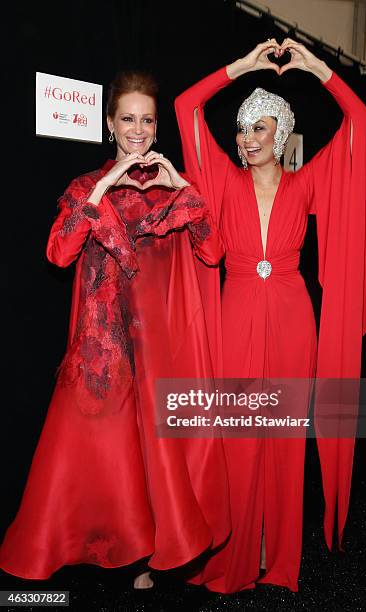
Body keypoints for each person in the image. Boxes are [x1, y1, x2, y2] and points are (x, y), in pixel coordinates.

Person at [0, 70, 230, 589]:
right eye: (127, 118)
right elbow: (58, 252)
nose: (138, 129)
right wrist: (107, 183)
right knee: (91, 456)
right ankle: (77, 552)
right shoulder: (87, 187)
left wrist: (182, 188)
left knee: (151, 458)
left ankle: (148, 559)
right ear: (110, 124)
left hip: (155, 346)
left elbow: (214, 252)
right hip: (103, 348)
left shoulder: (171, 192)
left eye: (147, 120)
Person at [175, 38, 366, 592]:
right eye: (244, 128)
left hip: (291, 315)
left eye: (261, 128)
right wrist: (238, 67)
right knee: (239, 436)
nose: (248, 138)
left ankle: (279, 556)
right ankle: (234, 556)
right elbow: (185, 108)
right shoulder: (221, 180)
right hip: (236, 310)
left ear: (281, 135)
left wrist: (320, 71)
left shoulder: (305, 182)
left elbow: (361, 122)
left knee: (284, 438)